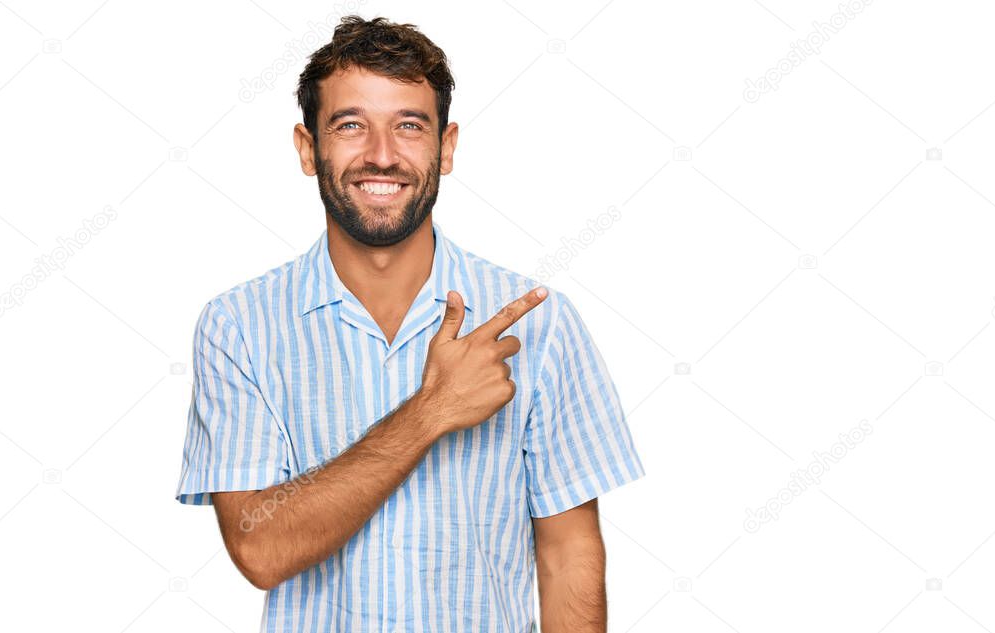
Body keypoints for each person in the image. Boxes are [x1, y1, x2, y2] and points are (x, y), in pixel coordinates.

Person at [175, 15, 645, 633]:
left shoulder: (541, 323)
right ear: (306, 147)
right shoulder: (239, 326)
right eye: (349, 126)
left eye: (409, 126)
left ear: (446, 148)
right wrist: (432, 410)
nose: (381, 155)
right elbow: (262, 551)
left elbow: (568, 555)